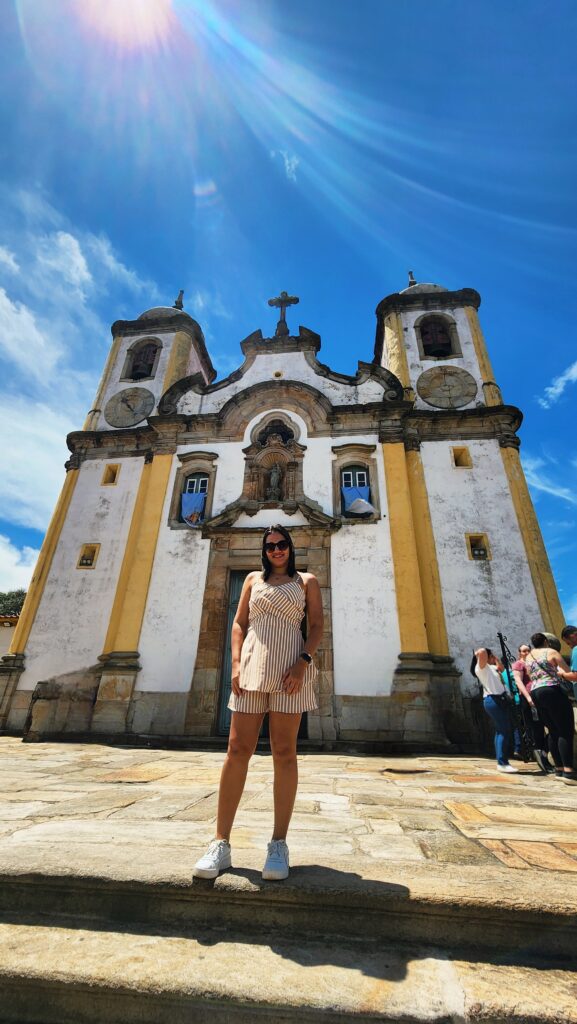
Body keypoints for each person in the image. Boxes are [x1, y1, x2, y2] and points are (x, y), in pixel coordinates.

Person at [193, 525, 323, 881]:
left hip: (290, 672)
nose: (276, 550)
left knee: (284, 752)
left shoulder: (306, 581)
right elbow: (238, 623)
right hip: (251, 668)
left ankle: (278, 844)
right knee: (237, 749)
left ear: (290, 548)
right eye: (270, 546)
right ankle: (220, 843)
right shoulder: (252, 579)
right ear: (264, 551)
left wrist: (302, 662)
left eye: (282, 545)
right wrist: (235, 663)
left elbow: (316, 627)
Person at [526, 632, 576, 785]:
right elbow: (568, 672)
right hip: (552, 690)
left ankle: (558, 768)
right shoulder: (551, 651)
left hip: (535, 692)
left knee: (553, 731)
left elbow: (530, 675)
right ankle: (569, 771)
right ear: (546, 641)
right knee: (565, 730)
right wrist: (561, 674)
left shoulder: (529, 657)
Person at [509, 644, 554, 772]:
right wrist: (528, 698)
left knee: (550, 725)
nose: (526, 652)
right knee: (536, 728)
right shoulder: (519, 664)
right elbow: (518, 681)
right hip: (529, 699)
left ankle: (544, 753)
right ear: (519, 653)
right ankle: (541, 757)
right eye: (523, 651)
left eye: (528, 650)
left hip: (540, 697)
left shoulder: (534, 663)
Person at [471, 647, 517, 772]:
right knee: (504, 730)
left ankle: (502, 760)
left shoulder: (491, 668)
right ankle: (502, 762)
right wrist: (480, 653)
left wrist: (496, 659)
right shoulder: (481, 668)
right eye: (491, 656)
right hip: (494, 699)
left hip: (500, 699)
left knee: (501, 730)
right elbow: (481, 652)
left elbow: (502, 669)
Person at [560, 625, 577, 700]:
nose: (570, 646)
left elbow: (575, 676)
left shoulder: (576, 649)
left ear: (573, 635)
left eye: (568, 643)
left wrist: (562, 674)